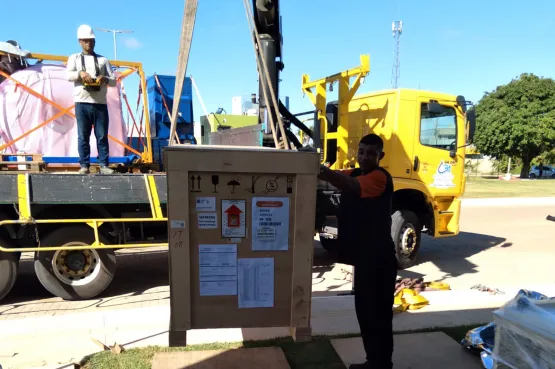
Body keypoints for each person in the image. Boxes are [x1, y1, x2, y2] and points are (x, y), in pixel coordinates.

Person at [317, 134, 397, 369]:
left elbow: (350, 186)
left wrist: (320, 168)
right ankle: (373, 361)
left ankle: (382, 364)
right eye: (361, 151)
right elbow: (335, 177)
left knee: (378, 316)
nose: (364, 157)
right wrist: (314, 166)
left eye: (370, 153)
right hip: (365, 259)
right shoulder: (356, 173)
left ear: (380, 156)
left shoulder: (380, 178)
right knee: (365, 313)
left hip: (379, 260)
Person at [66, 24, 116, 174]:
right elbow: (68, 76)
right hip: (82, 102)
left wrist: (105, 78)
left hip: (100, 103)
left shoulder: (103, 60)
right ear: (80, 41)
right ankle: (84, 165)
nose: (89, 43)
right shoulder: (74, 58)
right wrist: (80, 74)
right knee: (83, 136)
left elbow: (114, 80)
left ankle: (104, 165)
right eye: (85, 41)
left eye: (91, 40)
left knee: (102, 136)